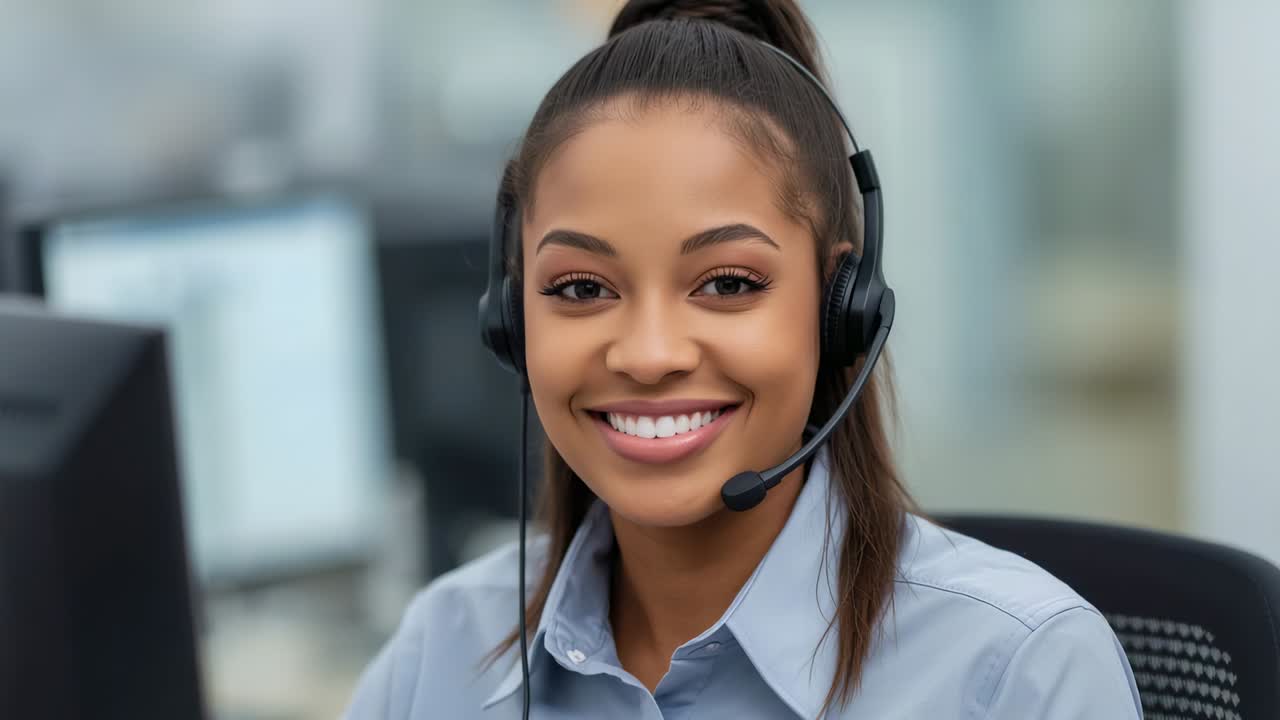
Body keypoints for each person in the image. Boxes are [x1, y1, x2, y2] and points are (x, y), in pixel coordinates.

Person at [344, 1, 1143, 717]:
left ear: (840, 309)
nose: (649, 354)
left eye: (727, 283)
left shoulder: (1019, 675)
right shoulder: (441, 655)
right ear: (512, 320)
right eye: (582, 287)